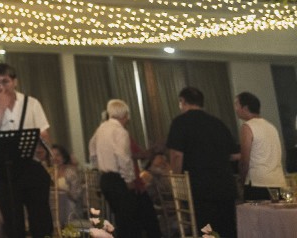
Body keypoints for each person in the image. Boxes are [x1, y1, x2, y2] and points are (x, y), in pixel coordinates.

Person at [0, 63, 54, 238]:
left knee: (41, 223)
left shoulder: (31, 103)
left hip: (31, 168)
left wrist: (42, 148)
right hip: (4, 173)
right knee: (13, 225)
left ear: (15, 82)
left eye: (5, 81)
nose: (1, 87)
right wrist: (1, 108)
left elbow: (44, 133)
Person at [166, 86, 237, 238]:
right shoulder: (218, 123)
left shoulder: (180, 123)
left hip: (200, 188)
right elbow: (233, 155)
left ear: (182, 101)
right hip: (225, 185)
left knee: (207, 231)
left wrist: (175, 182)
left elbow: (176, 155)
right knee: (227, 229)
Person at [88, 99, 160, 238]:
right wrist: (129, 179)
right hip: (118, 179)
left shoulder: (101, 129)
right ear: (124, 115)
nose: (128, 119)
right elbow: (123, 157)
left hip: (105, 179)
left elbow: (92, 147)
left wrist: (97, 165)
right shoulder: (120, 131)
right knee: (130, 222)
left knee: (121, 219)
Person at [234, 91, 284, 200]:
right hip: (277, 181)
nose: (235, 109)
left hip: (257, 182)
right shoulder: (271, 126)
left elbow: (245, 161)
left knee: (256, 211)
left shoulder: (247, 127)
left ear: (245, 108)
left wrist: (241, 181)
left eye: (237, 105)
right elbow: (261, 152)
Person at [49, 145, 83, 225]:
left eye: (57, 155)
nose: (54, 158)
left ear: (64, 157)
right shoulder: (49, 173)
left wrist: (63, 192)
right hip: (53, 207)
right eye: (52, 155)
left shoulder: (70, 173)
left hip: (69, 208)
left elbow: (76, 195)